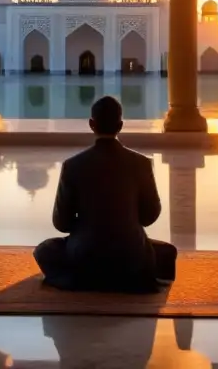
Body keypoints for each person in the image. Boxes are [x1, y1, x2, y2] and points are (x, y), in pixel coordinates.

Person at [33, 95, 177, 293]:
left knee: (45, 250)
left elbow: (62, 223)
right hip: (131, 256)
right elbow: (149, 216)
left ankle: (80, 280)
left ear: (92, 124)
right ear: (120, 125)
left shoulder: (73, 166)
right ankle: (133, 277)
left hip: (85, 256)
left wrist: (87, 226)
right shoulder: (141, 164)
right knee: (166, 252)